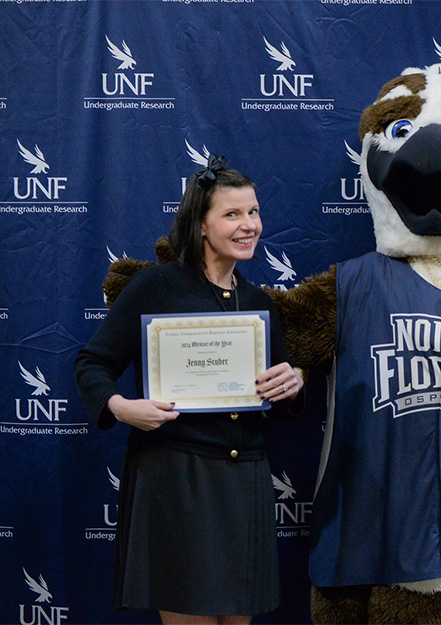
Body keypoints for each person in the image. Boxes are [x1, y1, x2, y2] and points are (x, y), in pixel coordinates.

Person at [74, 155, 304, 625]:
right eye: (232, 214)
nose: (249, 226)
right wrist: (121, 406)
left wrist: (292, 384)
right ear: (200, 224)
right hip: (177, 480)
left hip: (246, 481)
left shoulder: (259, 301)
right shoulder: (153, 287)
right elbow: (92, 362)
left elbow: (275, 408)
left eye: (254, 212)